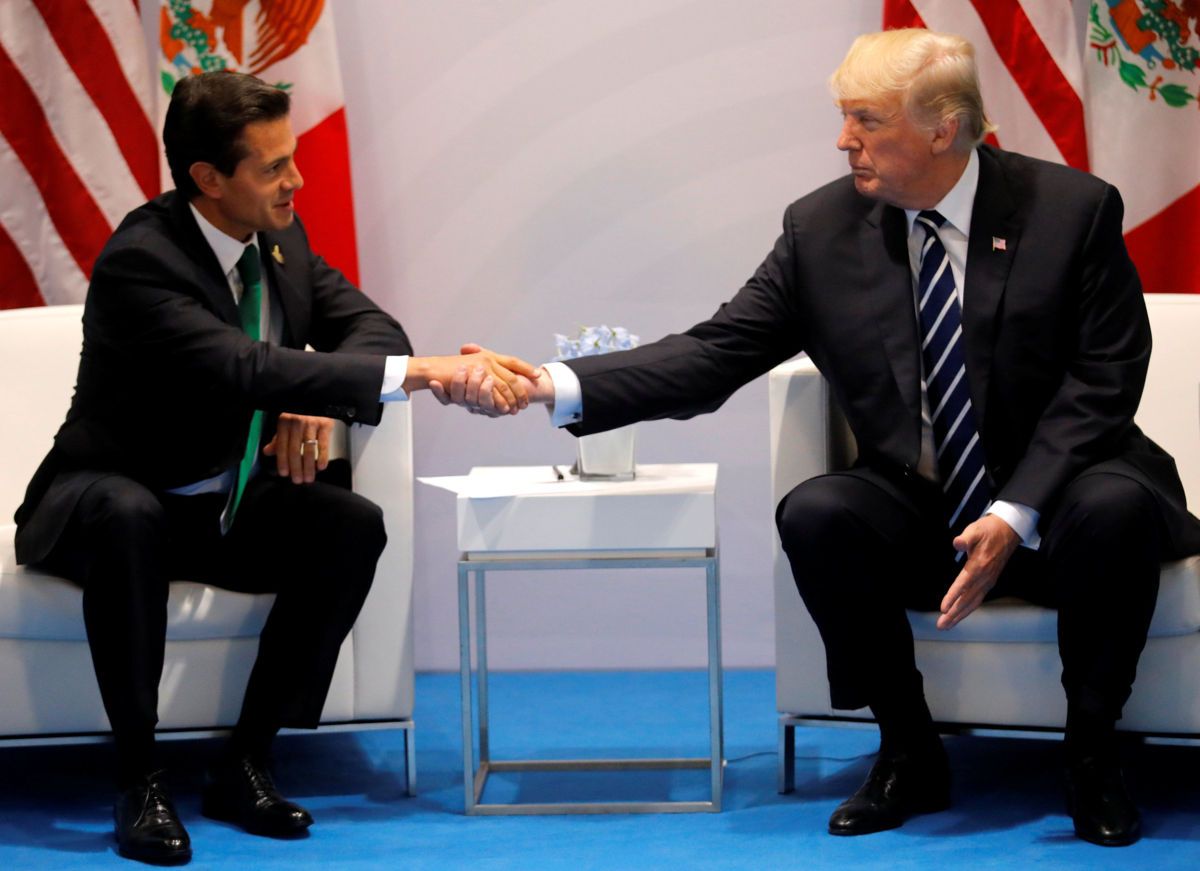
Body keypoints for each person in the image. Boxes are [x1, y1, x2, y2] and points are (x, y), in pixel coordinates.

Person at [438, 29, 1200, 847]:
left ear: (943, 127)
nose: (844, 140)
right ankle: (909, 749)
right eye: (844, 118)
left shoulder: (1070, 210)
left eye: (865, 120)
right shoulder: (821, 229)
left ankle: (1093, 754)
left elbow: (1105, 378)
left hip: (1063, 494)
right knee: (819, 511)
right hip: (928, 503)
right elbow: (714, 352)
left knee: (1114, 504)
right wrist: (552, 382)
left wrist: (1014, 512)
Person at [14, 70, 534, 866]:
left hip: (210, 511)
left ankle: (246, 758)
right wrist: (426, 373)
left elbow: (373, 326)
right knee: (129, 515)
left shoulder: (279, 243)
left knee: (349, 524)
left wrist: (319, 403)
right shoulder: (141, 261)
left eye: (293, 158)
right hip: (103, 501)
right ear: (208, 179)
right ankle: (139, 778)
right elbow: (243, 366)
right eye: (274, 166)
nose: (298, 179)